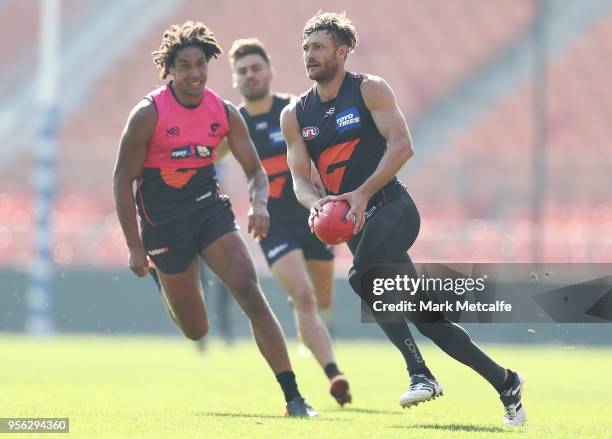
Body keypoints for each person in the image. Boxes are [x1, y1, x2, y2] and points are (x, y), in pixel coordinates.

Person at [281, 11, 526, 426]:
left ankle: (420, 373)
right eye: (306, 48)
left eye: (318, 47)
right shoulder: (295, 114)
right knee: (432, 321)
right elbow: (300, 181)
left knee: (362, 277)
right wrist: (316, 206)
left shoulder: (370, 89)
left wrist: (360, 193)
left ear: (343, 51)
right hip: (356, 227)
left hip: (394, 210)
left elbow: (403, 146)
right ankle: (507, 382)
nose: (310, 55)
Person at [113, 21, 316, 417]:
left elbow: (256, 172)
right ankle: (163, 277)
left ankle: (294, 397)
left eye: (200, 64)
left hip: (210, 213)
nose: (194, 73)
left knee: (251, 292)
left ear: (209, 65)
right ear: (170, 70)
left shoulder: (222, 112)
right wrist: (135, 247)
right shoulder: (147, 115)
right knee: (196, 330)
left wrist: (260, 205)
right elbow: (122, 181)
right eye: (184, 65)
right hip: (162, 226)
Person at [228, 38, 350, 406]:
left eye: (256, 68)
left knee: (321, 299)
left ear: (269, 72)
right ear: (236, 79)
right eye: (243, 71)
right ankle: (335, 374)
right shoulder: (234, 122)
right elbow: (208, 154)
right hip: (273, 226)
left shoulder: (294, 111)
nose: (250, 76)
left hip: (314, 218)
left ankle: (309, 334)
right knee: (304, 296)